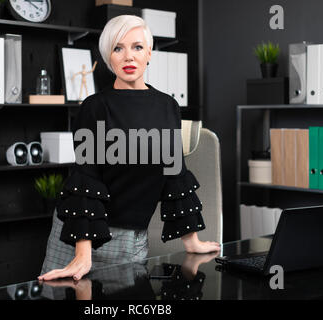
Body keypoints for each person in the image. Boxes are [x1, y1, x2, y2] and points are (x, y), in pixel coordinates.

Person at [39, 15, 220, 282]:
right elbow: (86, 178)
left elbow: (175, 174)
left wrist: (191, 241)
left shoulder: (167, 106)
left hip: (132, 239)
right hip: (79, 236)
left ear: (149, 53)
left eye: (137, 47)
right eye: (117, 48)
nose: (128, 57)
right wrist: (82, 253)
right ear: (109, 58)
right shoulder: (95, 107)